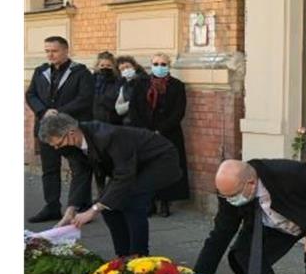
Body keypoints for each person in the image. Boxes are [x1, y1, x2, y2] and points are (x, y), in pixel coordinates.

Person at [39, 112, 182, 258]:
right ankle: (122, 256)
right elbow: (81, 174)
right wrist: (71, 210)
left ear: (71, 133)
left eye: (58, 144)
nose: (57, 148)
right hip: (130, 165)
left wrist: (93, 210)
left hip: (159, 160)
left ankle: (138, 256)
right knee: (109, 208)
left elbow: (124, 175)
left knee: (132, 201)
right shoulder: (70, 145)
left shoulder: (108, 136)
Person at [26, 36, 95, 223]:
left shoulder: (80, 72)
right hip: (47, 130)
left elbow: (85, 98)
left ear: (66, 51)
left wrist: (59, 112)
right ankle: (52, 207)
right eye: (47, 50)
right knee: (49, 169)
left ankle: (80, 206)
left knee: (79, 167)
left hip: (71, 129)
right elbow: (31, 94)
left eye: (54, 51)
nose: (50, 54)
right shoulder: (41, 71)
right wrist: (43, 111)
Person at [146, 52, 189, 217]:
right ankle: (149, 202)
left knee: (167, 167)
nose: (159, 67)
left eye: (163, 64)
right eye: (156, 64)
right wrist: (148, 128)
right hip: (146, 134)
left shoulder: (177, 85)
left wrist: (161, 129)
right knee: (148, 167)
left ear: (169, 66)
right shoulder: (142, 84)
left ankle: (165, 202)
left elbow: (179, 111)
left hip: (169, 133)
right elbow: (136, 108)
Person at [114, 55, 151, 129]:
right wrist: (132, 103)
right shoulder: (123, 87)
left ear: (134, 67)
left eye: (127, 67)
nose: (125, 70)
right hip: (129, 124)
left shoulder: (146, 81)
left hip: (145, 124)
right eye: (122, 69)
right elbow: (119, 109)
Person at [92, 51, 122, 124]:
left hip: (112, 120)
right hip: (93, 120)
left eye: (108, 65)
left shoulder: (118, 81)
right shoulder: (90, 80)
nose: (105, 68)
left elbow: (115, 101)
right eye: (102, 65)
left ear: (113, 67)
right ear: (97, 66)